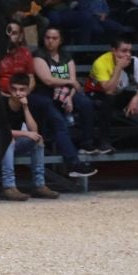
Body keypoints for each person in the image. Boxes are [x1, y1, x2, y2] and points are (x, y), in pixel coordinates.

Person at [29, 26, 101, 172]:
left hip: (65, 93)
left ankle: (87, 143)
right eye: (47, 37)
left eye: (54, 38)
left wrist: (70, 98)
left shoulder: (66, 56)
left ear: (60, 40)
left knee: (85, 103)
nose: (50, 41)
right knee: (59, 123)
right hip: (44, 95)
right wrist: (70, 82)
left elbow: (74, 83)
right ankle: (73, 164)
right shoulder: (39, 55)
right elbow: (48, 80)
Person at [89, 38, 138, 152]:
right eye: (124, 51)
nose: (128, 54)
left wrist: (135, 99)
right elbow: (108, 91)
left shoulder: (134, 61)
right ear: (113, 51)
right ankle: (104, 143)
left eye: (129, 51)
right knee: (107, 101)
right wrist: (118, 67)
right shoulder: (101, 63)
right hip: (98, 94)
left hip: (119, 93)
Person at [0, 72, 57, 201]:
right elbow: (1, 131)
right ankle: (9, 187)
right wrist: (25, 133)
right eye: (14, 89)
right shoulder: (1, 103)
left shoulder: (29, 104)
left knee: (38, 140)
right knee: (9, 139)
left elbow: (34, 131)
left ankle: (40, 185)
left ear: (28, 90)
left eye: (22, 90)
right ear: (9, 89)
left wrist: (25, 108)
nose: (18, 93)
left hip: (13, 145)